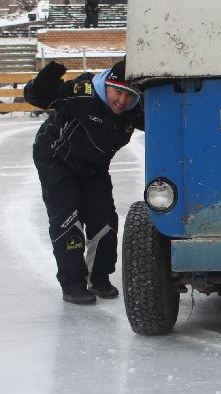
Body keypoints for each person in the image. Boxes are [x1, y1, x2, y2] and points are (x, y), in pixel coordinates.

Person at [24, 59, 144, 304]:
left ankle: (99, 277)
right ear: (107, 86)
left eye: (129, 95)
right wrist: (46, 79)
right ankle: (73, 282)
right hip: (56, 159)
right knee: (68, 219)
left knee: (105, 221)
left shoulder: (136, 111)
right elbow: (38, 97)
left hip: (93, 166)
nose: (122, 101)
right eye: (117, 92)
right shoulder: (83, 93)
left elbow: (168, 122)